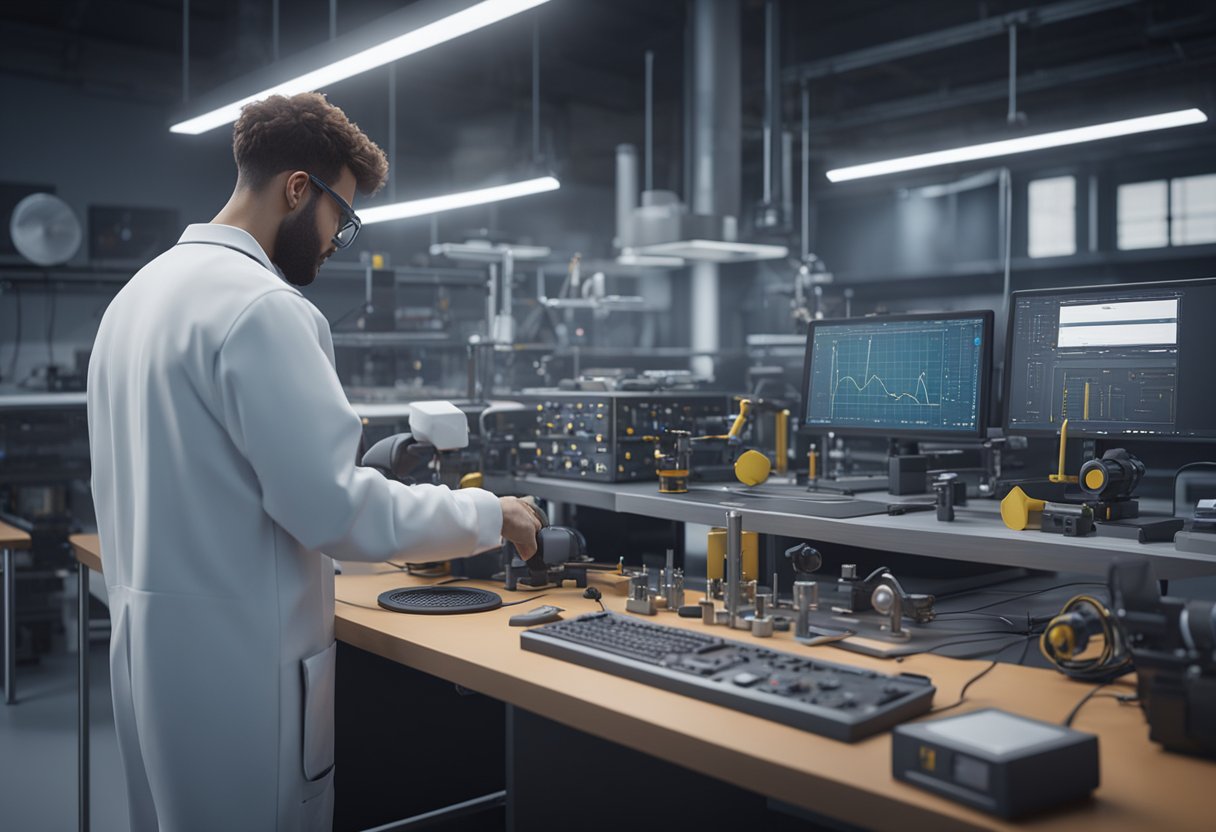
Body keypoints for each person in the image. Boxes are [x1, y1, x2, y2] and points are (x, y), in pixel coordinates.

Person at [86, 92, 542, 831]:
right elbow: (338, 511)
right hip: (243, 674)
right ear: (299, 189)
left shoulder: (138, 297)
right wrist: (492, 513)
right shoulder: (263, 308)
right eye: (343, 216)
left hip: (154, 658)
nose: (337, 239)